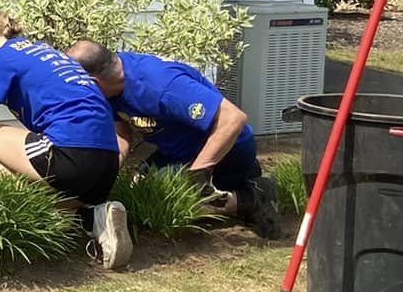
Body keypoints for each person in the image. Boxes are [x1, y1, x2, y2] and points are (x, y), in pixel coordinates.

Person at [0, 12, 133, 269]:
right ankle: (92, 217)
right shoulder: (46, 52)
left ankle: (33, 211)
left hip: (70, 154)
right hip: (107, 164)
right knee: (50, 173)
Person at [66, 40, 284, 239]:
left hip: (228, 150)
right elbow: (122, 133)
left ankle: (254, 196)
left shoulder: (161, 85)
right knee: (138, 192)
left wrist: (196, 178)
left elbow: (233, 119)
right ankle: (233, 185)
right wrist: (108, 173)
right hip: (178, 150)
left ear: (93, 81)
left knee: (166, 199)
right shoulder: (112, 86)